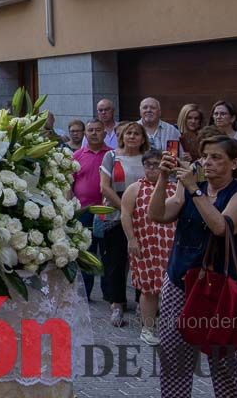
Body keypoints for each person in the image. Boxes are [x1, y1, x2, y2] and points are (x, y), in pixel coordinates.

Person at [149, 135, 237, 398]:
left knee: (225, 364)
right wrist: (164, 178)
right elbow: (158, 214)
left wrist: (195, 190)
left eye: (216, 157)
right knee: (174, 358)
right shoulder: (188, 188)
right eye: (205, 156)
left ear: (234, 163)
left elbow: (221, 227)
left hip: (222, 288)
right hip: (179, 282)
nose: (207, 162)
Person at [121, 149, 177, 345]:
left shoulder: (174, 188)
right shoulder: (135, 188)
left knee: (172, 289)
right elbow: (125, 214)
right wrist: (131, 239)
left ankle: (171, 328)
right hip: (145, 246)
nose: (152, 168)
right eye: (149, 165)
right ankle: (148, 328)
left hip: (170, 246)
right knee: (149, 289)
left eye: (157, 164)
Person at [99, 121, 149, 327]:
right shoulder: (111, 156)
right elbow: (105, 187)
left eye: (137, 134)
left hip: (145, 215)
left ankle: (143, 304)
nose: (132, 137)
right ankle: (117, 304)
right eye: (129, 133)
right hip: (115, 214)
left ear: (143, 138)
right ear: (122, 136)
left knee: (143, 260)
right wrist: (125, 210)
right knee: (116, 261)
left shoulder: (149, 158)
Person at [72, 119, 111, 302]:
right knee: (86, 254)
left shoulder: (112, 154)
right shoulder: (77, 156)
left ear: (105, 132)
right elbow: (69, 183)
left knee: (107, 254)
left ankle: (110, 294)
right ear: (85, 134)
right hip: (84, 211)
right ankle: (85, 294)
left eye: (98, 130)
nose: (94, 133)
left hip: (107, 210)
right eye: (90, 130)